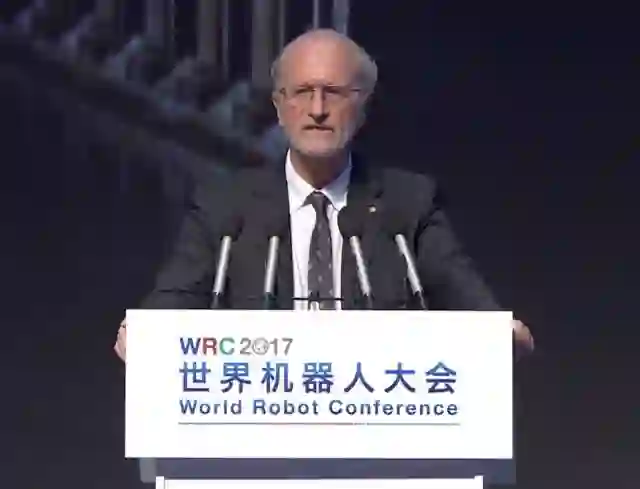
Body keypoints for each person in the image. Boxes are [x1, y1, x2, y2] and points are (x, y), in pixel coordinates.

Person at [114, 28, 534, 361]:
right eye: (302, 92)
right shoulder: (226, 207)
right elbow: (169, 307)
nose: (317, 109)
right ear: (279, 107)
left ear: (363, 107)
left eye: (333, 93)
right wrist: (142, 335)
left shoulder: (409, 205)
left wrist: (501, 333)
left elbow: (471, 304)